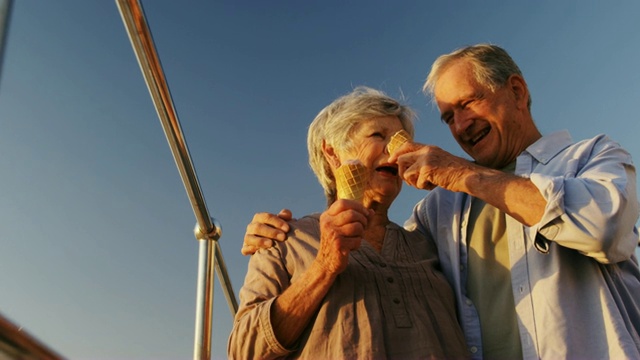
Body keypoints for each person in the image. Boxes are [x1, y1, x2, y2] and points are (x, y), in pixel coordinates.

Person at [241, 44, 640, 359]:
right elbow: (246, 347)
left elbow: (604, 227)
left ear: (516, 91)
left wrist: (459, 172)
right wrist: (284, 240)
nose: (461, 125)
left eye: (468, 104)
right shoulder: (437, 214)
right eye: (449, 117)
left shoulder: (592, 158)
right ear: (332, 153)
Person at [228, 86, 469, 359]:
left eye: (401, 141)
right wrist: (324, 266)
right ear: (332, 152)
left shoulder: (427, 242)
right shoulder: (284, 239)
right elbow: (243, 351)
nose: (396, 151)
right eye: (378, 135)